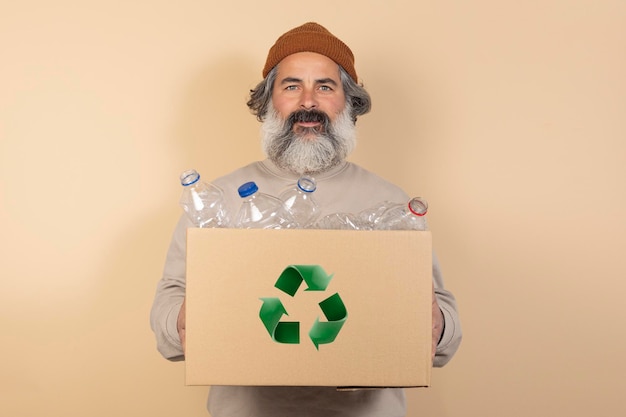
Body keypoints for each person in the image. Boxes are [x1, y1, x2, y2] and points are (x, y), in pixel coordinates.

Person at [150, 22, 462, 417]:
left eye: (325, 87)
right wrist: (183, 319)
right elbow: (169, 307)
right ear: (268, 103)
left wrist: (434, 324)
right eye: (292, 86)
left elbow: (446, 337)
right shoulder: (220, 198)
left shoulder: (390, 202)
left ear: (348, 103)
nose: (308, 102)